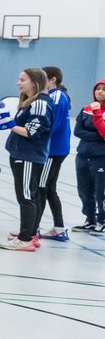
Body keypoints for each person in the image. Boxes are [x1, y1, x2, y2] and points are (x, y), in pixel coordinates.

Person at [0, 68, 52, 251]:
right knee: (29, 196)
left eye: (22, 79)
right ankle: (30, 233)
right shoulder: (29, 102)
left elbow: (32, 131)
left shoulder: (40, 104)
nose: (18, 83)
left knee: (27, 197)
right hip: (20, 154)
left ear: (35, 82)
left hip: (28, 156)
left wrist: (9, 124)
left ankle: (25, 238)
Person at [36, 67, 73, 242]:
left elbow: (53, 124)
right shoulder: (54, 96)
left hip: (53, 150)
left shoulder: (56, 96)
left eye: (43, 78)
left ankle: (32, 228)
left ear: (52, 79)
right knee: (49, 188)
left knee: (42, 188)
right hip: (54, 149)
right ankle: (58, 228)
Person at [72, 78, 105, 234]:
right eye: (98, 88)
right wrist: (97, 136)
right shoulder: (86, 109)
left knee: (101, 191)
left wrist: (98, 112)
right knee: (84, 190)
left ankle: (102, 220)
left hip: (101, 158)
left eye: (103, 89)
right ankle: (90, 220)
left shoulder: (98, 110)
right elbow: (77, 131)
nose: (100, 91)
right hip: (83, 156)